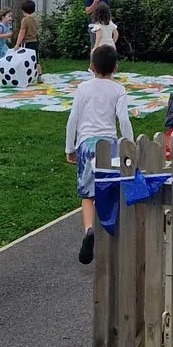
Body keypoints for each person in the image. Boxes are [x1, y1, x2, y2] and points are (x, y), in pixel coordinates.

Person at [66, 44, 133, 266]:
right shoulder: (118, 90)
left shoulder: (83, 88)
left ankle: (89, 229)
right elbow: (124, 120)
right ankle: (111, 230)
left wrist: (70, 148)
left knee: (88, 194)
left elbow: (73, 120)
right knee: (110, 188)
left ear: (91, 67)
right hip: (109, 145)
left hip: (86, 145)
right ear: (116, 67)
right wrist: (129, 145)